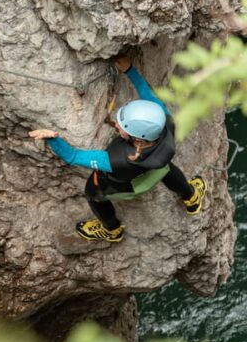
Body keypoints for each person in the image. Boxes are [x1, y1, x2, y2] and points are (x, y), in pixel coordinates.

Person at [29, 55, 207, 243]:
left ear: (135, 137)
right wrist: (130, 70)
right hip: (158, 169)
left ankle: (112, 230)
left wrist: (52, 138)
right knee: (167, 168)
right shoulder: (164, 120)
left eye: (122, 125)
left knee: (93, 194)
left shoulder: (114, 160)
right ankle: (191, 197)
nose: (118, 124)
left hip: (130, 186)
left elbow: (73, 156)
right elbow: (148, 96)